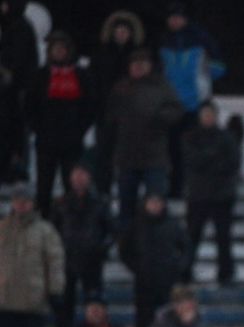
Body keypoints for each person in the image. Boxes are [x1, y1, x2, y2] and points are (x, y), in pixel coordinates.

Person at [104, 50, 183, 222]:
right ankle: (126, 245)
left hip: (154, 157)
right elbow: (109, 114)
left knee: (156, 206)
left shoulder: (162, 86)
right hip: (127, 157)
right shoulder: (121, 88)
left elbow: (176, 109)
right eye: (135, 64)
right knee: (126, 207)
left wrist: (159, 118)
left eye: (142, 64)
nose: (138, 67)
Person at [0, 183, 63, 327]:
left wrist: (55, 289)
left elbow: (54, 261)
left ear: (32, 203)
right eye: (17, 201)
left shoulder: (45, 230)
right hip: (4, 299)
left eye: (25, 201)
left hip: (33, 300)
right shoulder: (2, 228)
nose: (21, 205)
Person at [159, 3, 225, 199]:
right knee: (172, 151)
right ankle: (175, 189)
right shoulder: (162, 41)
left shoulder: (201, 39)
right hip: (170, 105)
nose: (174, 21)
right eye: (171, 17)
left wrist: (203, 81)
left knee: (194, 151)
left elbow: (219, 66)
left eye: (178, 17)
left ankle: (195, 189)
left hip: (194, 105)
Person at [25, 31, 95, 214]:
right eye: (56, 49)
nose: (59, 52)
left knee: (71, 184)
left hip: (72, 140)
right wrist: (38, 128)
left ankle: (70, 221)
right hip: (46, 139)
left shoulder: (81, 75)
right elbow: (29, 106)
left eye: (63, 49)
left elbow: (90, 106)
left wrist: (79, 130)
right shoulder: (40, 75)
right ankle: (44, 220)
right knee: (44, 186)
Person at [49, 163, 113, 327]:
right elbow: (53, 230)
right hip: (67, 259)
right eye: (75, 175)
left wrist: (101, 248)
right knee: (64, 304)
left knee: (94, 303)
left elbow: (111, 229)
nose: (78, 179)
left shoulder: (100, 201)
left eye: (82, 174)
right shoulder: (61, 202)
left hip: (92, 260)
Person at [122, 197, 192, 327]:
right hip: (144, 283)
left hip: (167, 282)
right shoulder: (136, 225)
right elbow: (125, 249)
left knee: (169, 321)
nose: (155, 206)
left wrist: (177, 267)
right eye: (151, 202)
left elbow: (186, 247)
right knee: (143, 322)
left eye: (158, 202)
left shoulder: (173, 225)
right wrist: (137, 267)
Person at [182, 100, 238, 285]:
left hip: (221, 196)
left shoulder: (226, 137)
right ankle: (185, 272)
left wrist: (208, 161)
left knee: (223, 238)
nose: (207, 118)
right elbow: (192, 160)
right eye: (204, 114)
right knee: (192, 237)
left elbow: (231, 163)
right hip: (198, 195)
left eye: (210, 114)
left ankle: (226, 274)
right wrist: (213, 158)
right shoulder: (190, 137)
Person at [89, 10, 145, 193]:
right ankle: (102, 191)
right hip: (105, 112)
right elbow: (93, 83)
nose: (121, 34)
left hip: (131, 115)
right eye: (118, 30)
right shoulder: (100, 53)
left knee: (129, 157)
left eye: (125, 31)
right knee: (103, 155)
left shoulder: (139, 56)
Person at [0, 0, 38, 183]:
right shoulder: (11, 26)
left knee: (19, 131)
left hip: (18, 89)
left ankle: (17, 169)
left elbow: (20, 59)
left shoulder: (19, 26)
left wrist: (9, 74)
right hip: (11, 89)